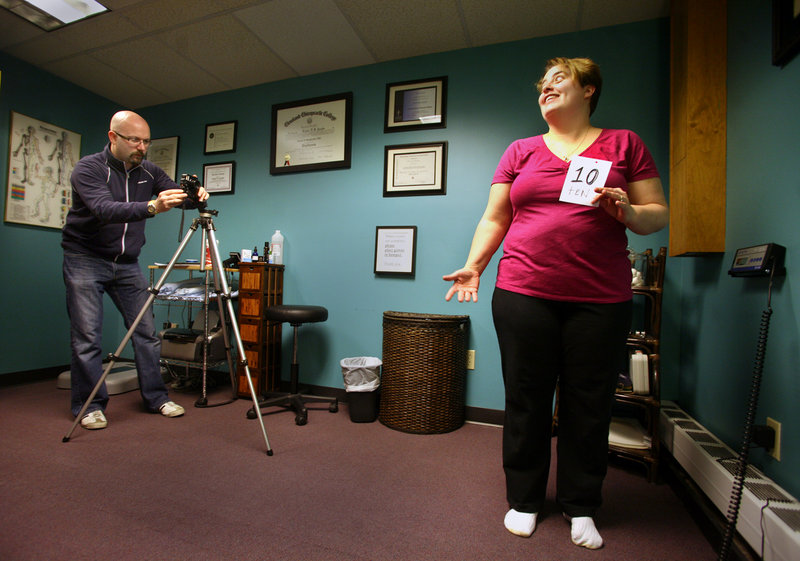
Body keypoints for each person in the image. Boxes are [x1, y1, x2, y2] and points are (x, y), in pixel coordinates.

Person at [443, 57, 668, 550]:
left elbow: (656, 216)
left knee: (589, 403)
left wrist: (627, 210)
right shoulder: (520, 150)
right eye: (541, 84)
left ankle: (581, 504)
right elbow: (494, 218)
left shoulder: (624, 144)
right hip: (524, 293)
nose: (545, 88)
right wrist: (475, 264)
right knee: (526, 400)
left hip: (600, 299)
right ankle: (524, 500)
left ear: (589, 90)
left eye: (558, 81)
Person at [62, 110, 209, 430]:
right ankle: (89, 405)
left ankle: (156, 397)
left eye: (146, 141)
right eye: (134, 140)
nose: (142, 147)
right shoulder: (88, 168)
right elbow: (104, 209)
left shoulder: (149, 171)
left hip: (127, 264)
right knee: (87, 337)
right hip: (85, 259)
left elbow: (174, 194)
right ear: (113, 137)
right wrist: (152, 207)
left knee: (145, 333)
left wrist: (194, 195)